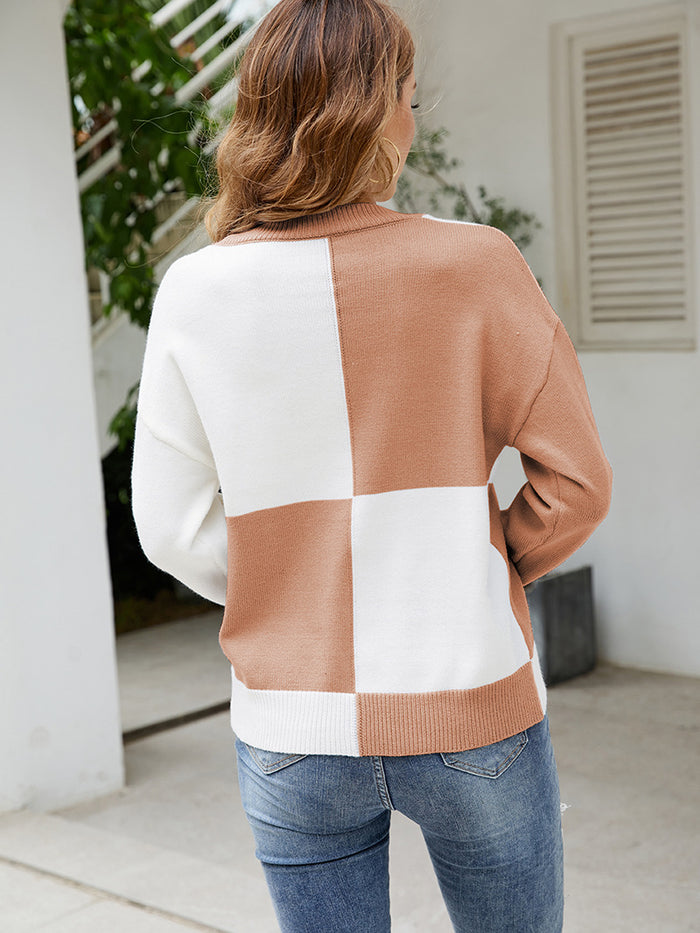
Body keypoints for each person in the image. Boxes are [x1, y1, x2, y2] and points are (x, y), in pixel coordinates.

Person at [131, 0, 613, 929]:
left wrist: (297, 587)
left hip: (290, 723)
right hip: (468, 698)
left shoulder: (195, 290)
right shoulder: (476, 264)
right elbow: (578, 485)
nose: (411, 121)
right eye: (411, 98)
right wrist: (476, 565)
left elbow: (168, 525)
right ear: (378, 111)